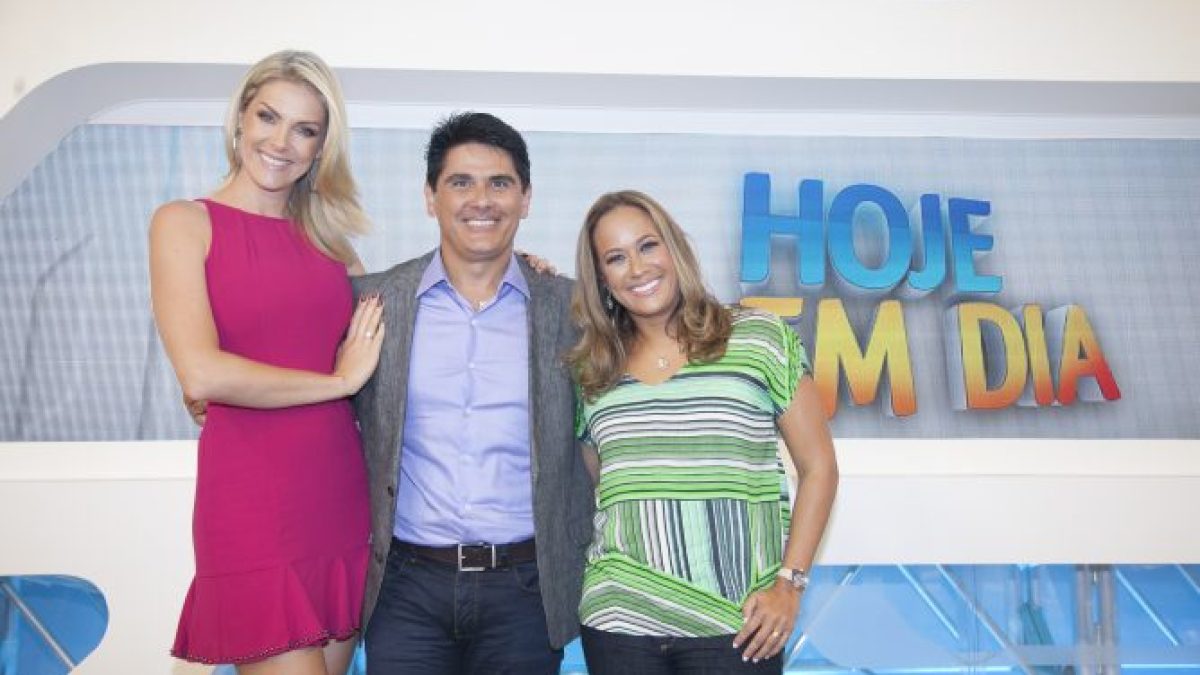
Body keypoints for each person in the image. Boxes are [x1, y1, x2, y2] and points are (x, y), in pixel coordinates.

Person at [149, 50, 383, 674]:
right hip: (251, 499)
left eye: (304, 129)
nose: (280, 143)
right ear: (240, 119)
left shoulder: (333, 245)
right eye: (268, 117)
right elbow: (202, 373)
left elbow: (398, 336)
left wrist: (521, 272)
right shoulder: (183, 223)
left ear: (321, 148)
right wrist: (337, 380)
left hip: (338, 495)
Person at [350, 112, 594, 674]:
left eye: (499, 183)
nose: (481, 200)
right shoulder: (371, 302)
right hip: (404, 590)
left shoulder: (573, 309)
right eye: (461, 182)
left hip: (526, 591)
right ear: (430, 197)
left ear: (525, 198)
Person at [568, 190, 839, 674]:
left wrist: (790, 585)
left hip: (739, 621)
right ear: (602, 278)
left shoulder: (759, 336)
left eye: (648, 245)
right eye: (615, 258)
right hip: (618, 618)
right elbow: (602, 485)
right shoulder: (593, 369)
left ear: (674, 248)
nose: (637, 268)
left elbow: (819, 468)